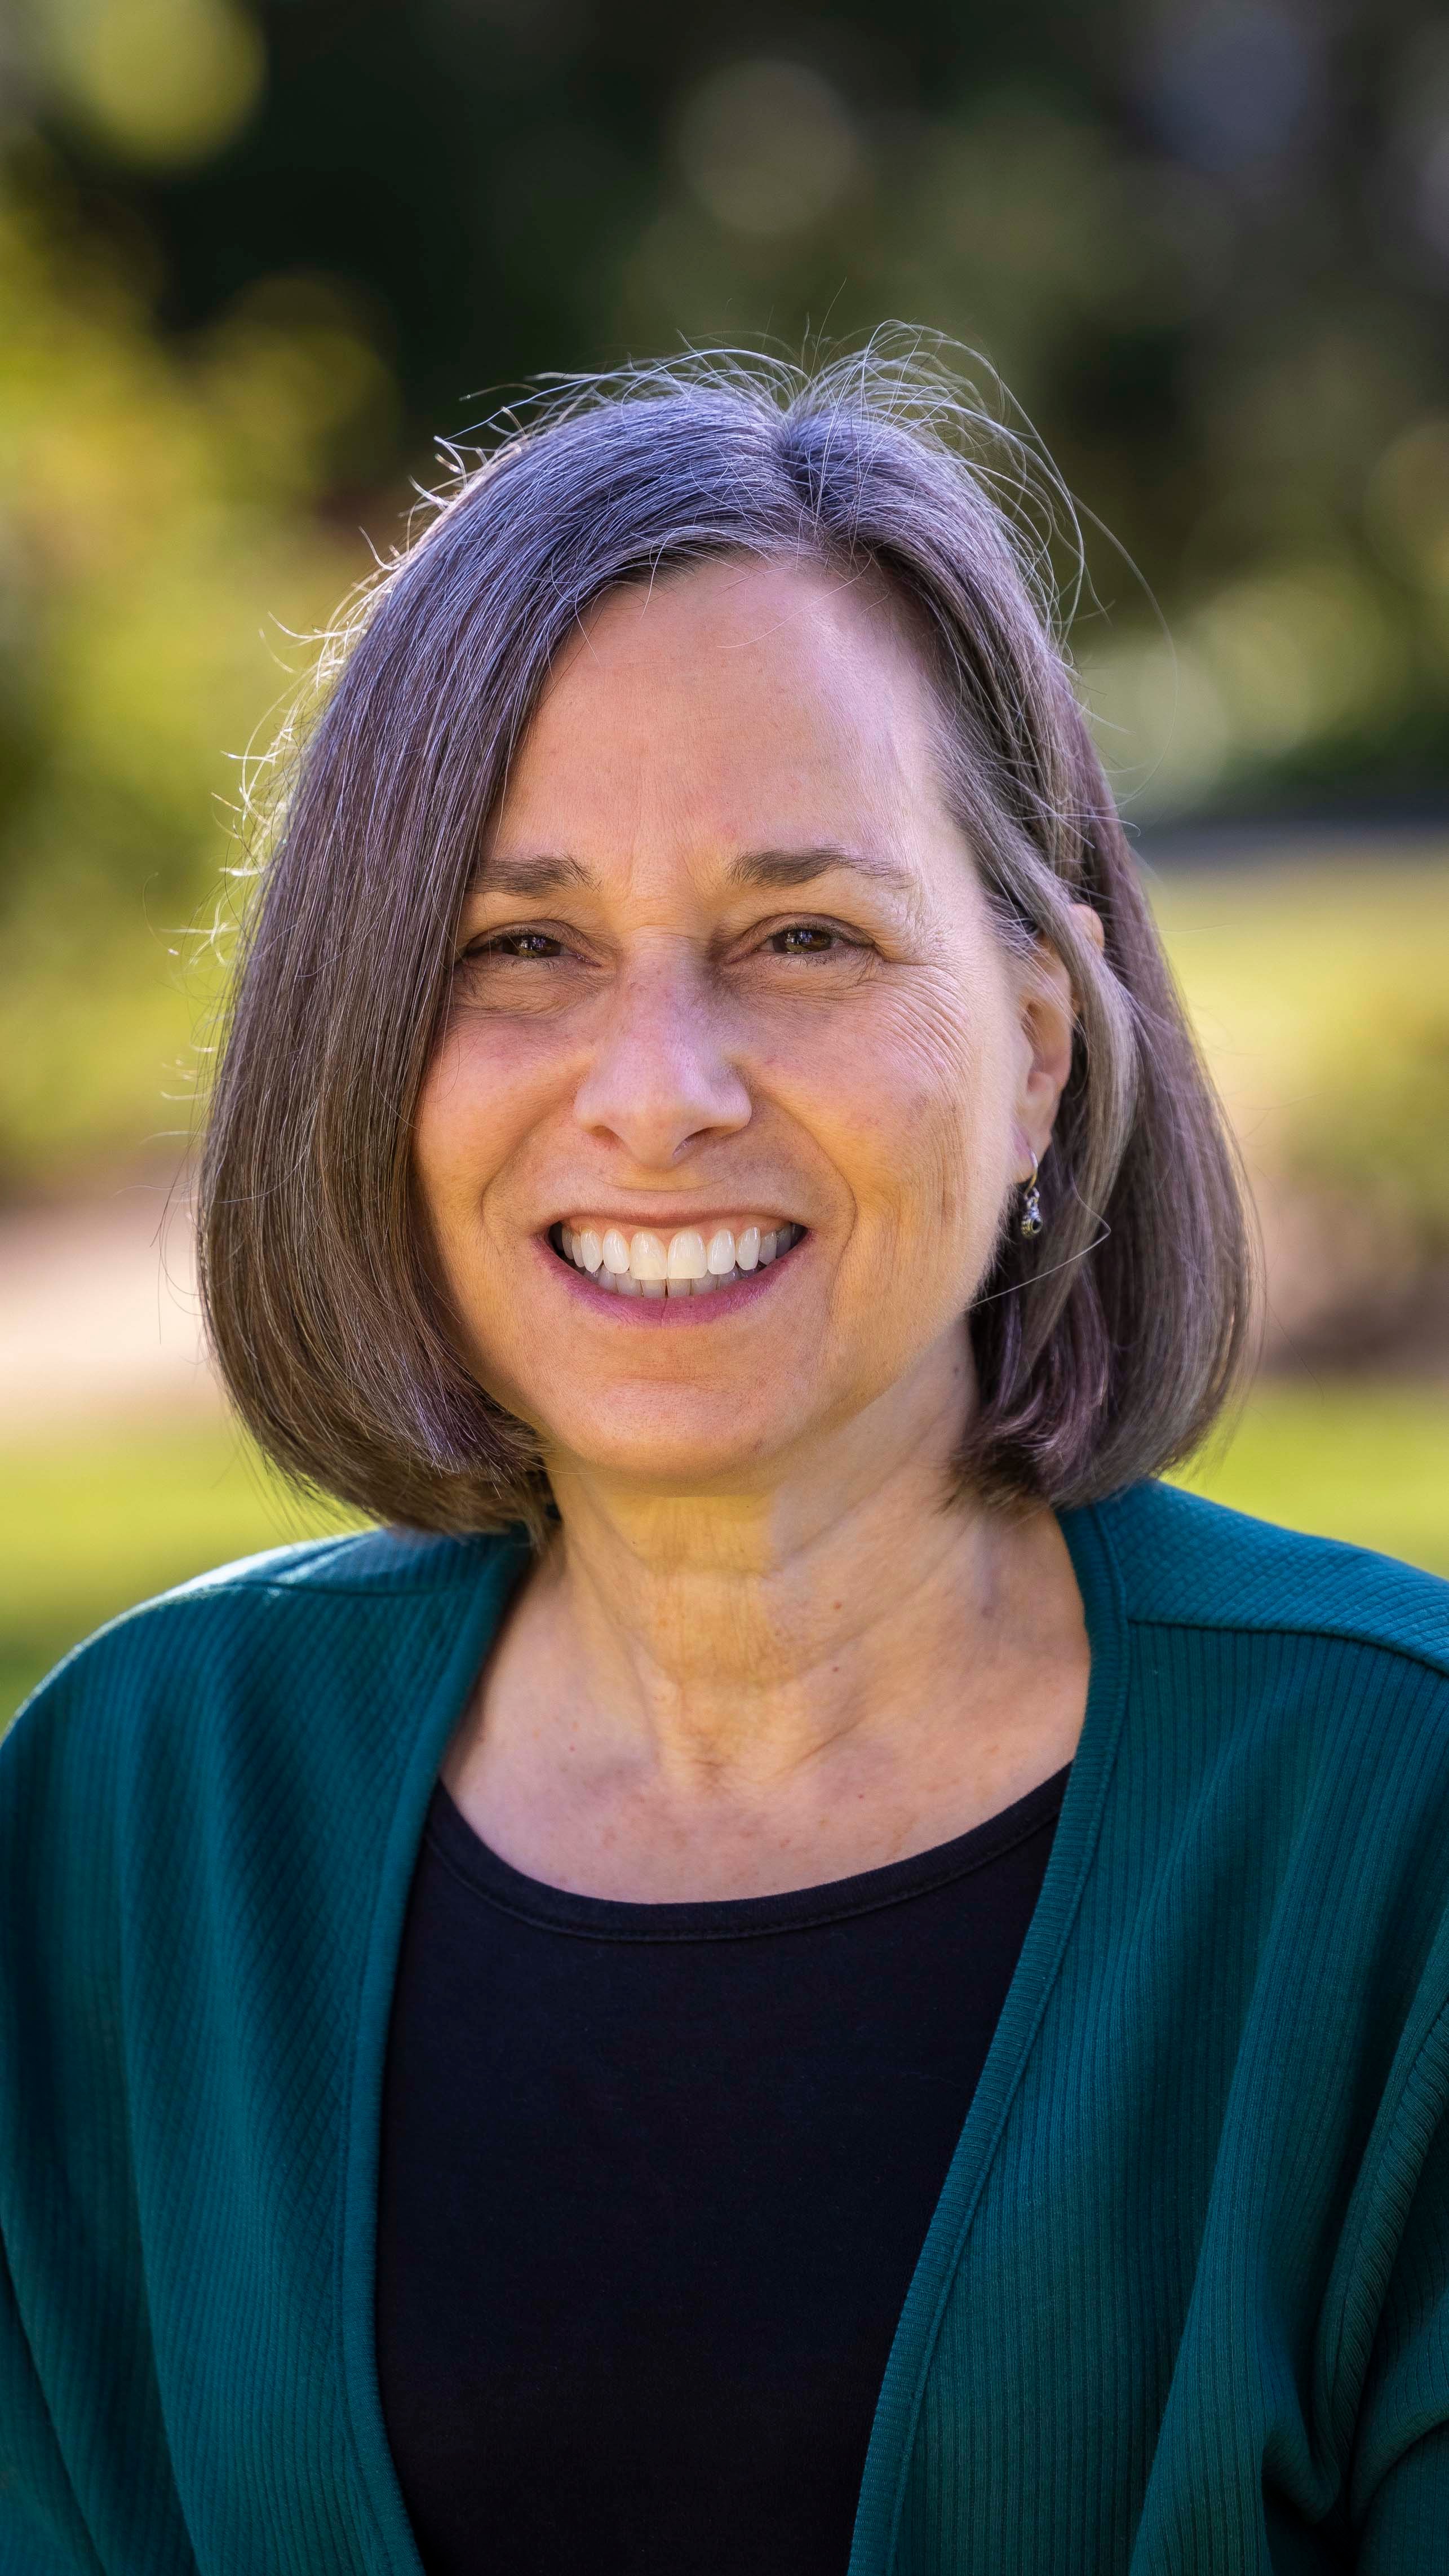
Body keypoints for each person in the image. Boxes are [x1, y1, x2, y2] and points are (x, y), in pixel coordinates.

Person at [2, 352, 1447, 2576]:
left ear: (1039, 1049)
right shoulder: (135, 1815)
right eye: (519, 947)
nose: (656, 1089)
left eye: (802, 937)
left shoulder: (1391, 1831)